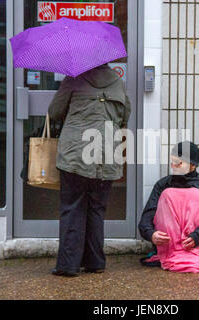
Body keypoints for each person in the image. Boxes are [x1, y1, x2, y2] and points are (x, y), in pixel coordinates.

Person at [48, 64, 131, 277]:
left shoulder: (74, 78)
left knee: (72, 207)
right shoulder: (118, 82)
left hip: (77, 152)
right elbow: (124, 117)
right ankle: (95, 261)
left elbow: (54, 112)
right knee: (97, 208)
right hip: (107, 153)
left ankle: (68, 264)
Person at [139, 141, 199, 273]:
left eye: (179, 162)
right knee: (168, 194)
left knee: (195, 195)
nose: (173, 165)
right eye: (173, 161)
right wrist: (151, 233)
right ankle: (176, 252)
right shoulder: (163, 185)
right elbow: (148, 215)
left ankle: (192, 252)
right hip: (170, 246)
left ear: (193, 165)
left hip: (198, 242)